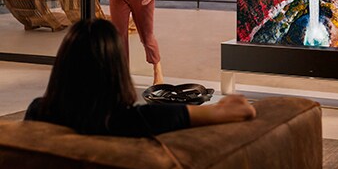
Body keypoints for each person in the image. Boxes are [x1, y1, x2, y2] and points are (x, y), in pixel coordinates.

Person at [24, 19, 256, 137]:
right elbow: (243, 110)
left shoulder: (37, 113)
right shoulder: (142, 119)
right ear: (117, 70)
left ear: (63, 66)